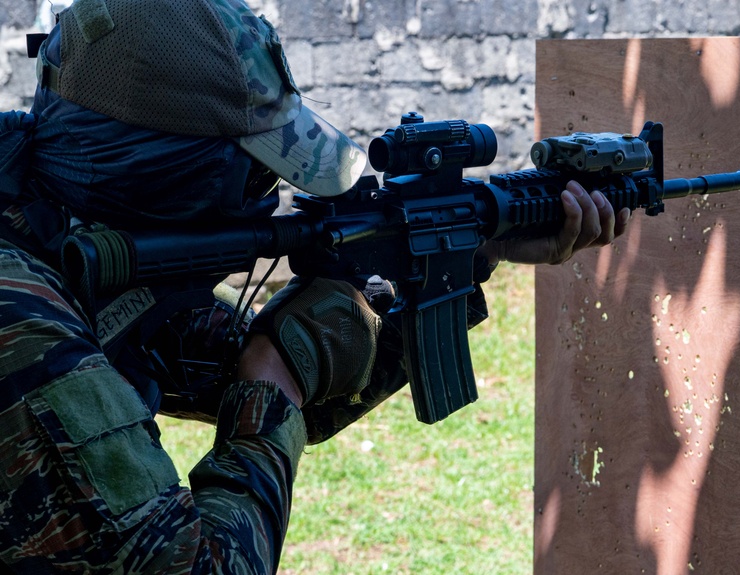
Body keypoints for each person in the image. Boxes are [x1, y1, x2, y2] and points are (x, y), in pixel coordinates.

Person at [0, 0, 630, 572]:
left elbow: (288, 380)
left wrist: (472, 252)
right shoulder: (20, 325)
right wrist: (274, 374)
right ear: (166, 182)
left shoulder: (53, 225)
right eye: (254, 181)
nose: (266, 205)